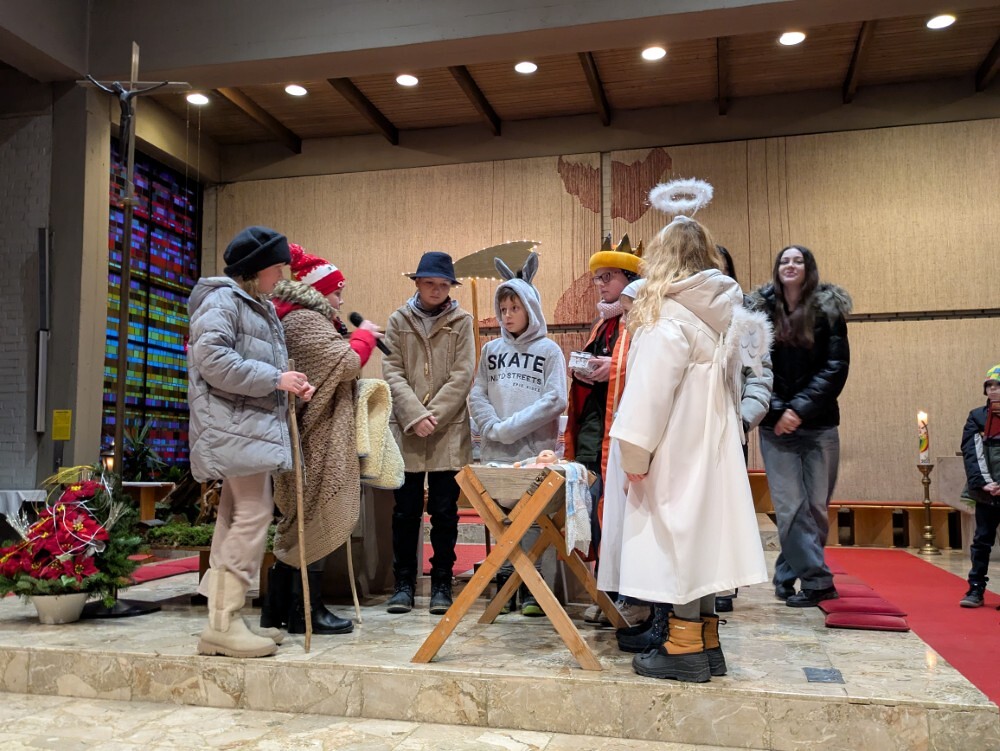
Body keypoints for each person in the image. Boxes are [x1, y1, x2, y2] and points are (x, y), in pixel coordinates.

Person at [611, 215, 767, 683]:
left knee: (676, 543)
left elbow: (649, 395)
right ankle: (706, 644)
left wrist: (635, 454)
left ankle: (681, 650)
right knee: (701, 545)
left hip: (676, 446)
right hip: (713, 446)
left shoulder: (669, 316)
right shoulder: (721, 313)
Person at [187, 225, 315, 658]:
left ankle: (222, 619)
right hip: (233, 426)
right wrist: (276, 378)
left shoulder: (253, 304)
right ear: (256, 269)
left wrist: (289, 383)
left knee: (234, 516)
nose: (281, 276)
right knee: (253, 514)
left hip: (245, 426)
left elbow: (253, 366)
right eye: (276, 267)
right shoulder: (223, 301)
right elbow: (212, 360)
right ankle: (224, 622)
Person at [263, 244, 383, 635]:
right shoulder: (304, 320)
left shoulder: (305, 318)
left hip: (311, 432)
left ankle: (278, 609)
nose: (341, 300)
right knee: (315, 514)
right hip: (316, 437)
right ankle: (306, 612)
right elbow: (346, 363)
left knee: (301, 516)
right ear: (318, 290)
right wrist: (363, 337)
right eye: (337, 292)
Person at [750, 245, 851, 608]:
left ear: (809, 268)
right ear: (777, 268)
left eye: (798, 260)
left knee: (816, 509)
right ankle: (818, 582)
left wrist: (800, 410)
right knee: (791, 507)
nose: (790, 265)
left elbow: (835, 366)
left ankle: (786, 572)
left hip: (819, 424)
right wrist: (779, 411)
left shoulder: (828, 310)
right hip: (775, 427)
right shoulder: (758, 311)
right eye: (784, 260)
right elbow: (752, 365)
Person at [468, 252, 567, 616]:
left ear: (531, 308)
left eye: (515, 308)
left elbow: (555, 399)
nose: (507, 315)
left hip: (532, 451)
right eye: (503, 309)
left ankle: (533, 588)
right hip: (495, 450)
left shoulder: (549, 351)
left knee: (532, 520)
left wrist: (509, 428)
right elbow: (477, 394)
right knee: (502, 521)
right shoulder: (491, 350)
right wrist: (492, 427)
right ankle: (507, 582)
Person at [382, 251, 476, 615]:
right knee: (405, 512)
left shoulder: (462, 321)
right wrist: (414, 415)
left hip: (447, 430)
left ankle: (441, 582)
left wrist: (431, 416)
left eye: (443, 284)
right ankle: (403, 583)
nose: (437, 290)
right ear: (418, 284)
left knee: (444, 511)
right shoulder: (398, 320)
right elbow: (391, 370)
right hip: (407, 429)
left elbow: (463, 373)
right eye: (430, 283)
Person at [564, 235, 642, 624]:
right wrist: (584, 369)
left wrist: (616, 368)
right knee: (597, 519)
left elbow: (647, 369)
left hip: (625, 437)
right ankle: (606, 593)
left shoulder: (639, 322)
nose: (601, 284)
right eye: (598, 277)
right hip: (594, 437)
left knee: (623, 520)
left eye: (608, 276)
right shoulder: (603, 324)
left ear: (630, 279)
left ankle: (629, 596)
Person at [715, 245, 774, 613]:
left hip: (730, 428)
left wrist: (742, 419)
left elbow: (759, 379)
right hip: (689, 432)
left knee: (727, 510)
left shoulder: (747, 323)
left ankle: (724, 583)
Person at [959, 364, 1000, 608]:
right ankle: (975, 588)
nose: (993, 390)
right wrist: (985, 483)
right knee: (982, 540)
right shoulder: (977, 416)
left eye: (998, 385)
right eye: (989, 386)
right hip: (987, 490)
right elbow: (972, 451)